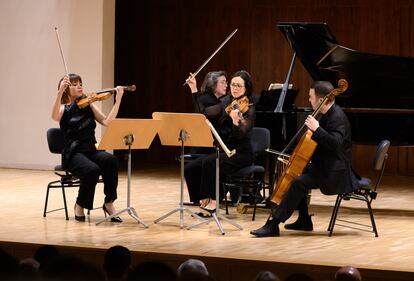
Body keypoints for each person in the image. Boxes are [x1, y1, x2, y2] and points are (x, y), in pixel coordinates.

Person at [250, 81, 359, 237]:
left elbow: (335, 144)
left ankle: (273, 224)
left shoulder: (337, 117)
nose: (309, 100)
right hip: (326, 166)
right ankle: (304, 220)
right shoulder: (326, 114)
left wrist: (317, 129)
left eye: (311, 97)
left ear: (321, 100)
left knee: (298, 182)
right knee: (296, 172)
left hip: (336, 172)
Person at [51, 73, 124, 222]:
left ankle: (108, 202)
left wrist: (118, 100)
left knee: (111, 160)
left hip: (90, 150)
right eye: (75, 84)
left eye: (81, 83)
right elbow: (54, 117)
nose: (80, 86)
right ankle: (80, 204)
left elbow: (107, 121)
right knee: (92, 170)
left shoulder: (89, 104)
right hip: (73, 154)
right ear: (66, 88)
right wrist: (59, 93)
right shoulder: (64, 108)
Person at [184, 70, 255, 211]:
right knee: (190, 168)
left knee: (210, 162)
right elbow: (203, 114)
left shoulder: (249, 109)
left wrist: (236, 123)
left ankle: (214, 202)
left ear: (246, 88)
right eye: (233, 84)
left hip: (241, 153)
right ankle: (203, 198)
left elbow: (240, 135)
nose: (234, 88)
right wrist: (194, 89)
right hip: (226, 151)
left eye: (239, 86)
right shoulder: (225, 103)